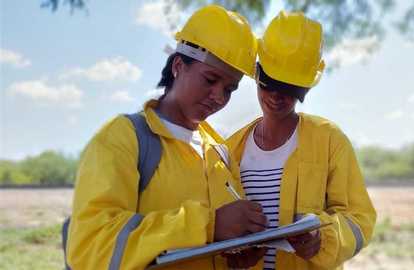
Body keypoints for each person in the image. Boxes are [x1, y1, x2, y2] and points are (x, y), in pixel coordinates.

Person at [66, 5, 269, 269]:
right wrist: (210, 225)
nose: (219, 97)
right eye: (210, 80)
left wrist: (238, 252)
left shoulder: (219, 150)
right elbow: (90, 246)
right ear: (177, 66)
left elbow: (219, 240)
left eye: (229, 89)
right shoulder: (123, 139)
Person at [226, 11, 377, 270]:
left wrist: (323, 238)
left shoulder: (330, 140)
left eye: (290, 89)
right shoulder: (230, 149)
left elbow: (360, 219)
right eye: (269, 83)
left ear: (306, 87)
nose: (276, 96)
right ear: (257, 72)